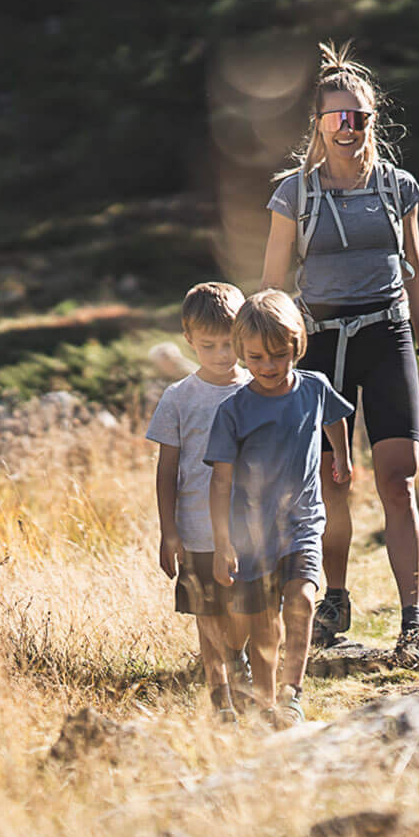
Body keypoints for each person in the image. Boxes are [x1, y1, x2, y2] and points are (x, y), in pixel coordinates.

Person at [260, 43, 419, 671]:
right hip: (321, 347)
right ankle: (335, 598)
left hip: (388, 338)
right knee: (333, 481)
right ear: (318, 124)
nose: (349, 126)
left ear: (373, 119)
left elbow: (416, 272)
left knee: (399, 477)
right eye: (337, 116)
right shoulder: (295, 194)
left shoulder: (398, 187)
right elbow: (272, 289)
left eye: (359, 115)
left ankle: (413, 621)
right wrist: (271, 368)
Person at [205, 290, 356, 727]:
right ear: (241, 353)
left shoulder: (314, 388)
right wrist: (222, 544)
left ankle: (292, 695)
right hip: (250, 533)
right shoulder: (233, 410)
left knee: (302, 602)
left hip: (303, 522)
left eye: (278, 355)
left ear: (297, 346)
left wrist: (341, 456)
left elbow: (334, 417)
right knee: (261, 622)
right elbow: (220, 482)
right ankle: (264, 701)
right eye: (255, 358)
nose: (267, 367)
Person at [144, 282, 254, 720]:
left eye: (230, 344)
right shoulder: (178, 399)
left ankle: (238, 655)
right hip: (194, 527)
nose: (222, 354)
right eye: (209, 346)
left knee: (246, 608)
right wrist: (169, 531)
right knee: (205, 612)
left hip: (248, 526)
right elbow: (166, 469)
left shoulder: (256, 389)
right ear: (189, 340)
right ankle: (219, 697)